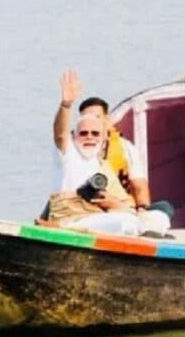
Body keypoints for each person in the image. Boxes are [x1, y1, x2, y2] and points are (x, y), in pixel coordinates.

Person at [45, 69, 171, 236]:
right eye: (83, 133)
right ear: (74, 136)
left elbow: (129, 197)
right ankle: (148, 234)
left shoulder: (103, 164)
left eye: (95, 133)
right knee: (127, 222)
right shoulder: (68, 153)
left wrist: (117, 204)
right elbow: (60, 134)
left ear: (103, 137)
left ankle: (153, 236)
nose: (89, 137)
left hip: (100, 216)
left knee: (159, 216)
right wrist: (65, 105)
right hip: (73, 219)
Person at [78, 95, 175, 221]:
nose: (91, 123)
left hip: (121, 206)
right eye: (86, 118)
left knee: (164, 208)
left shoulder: (125, 147)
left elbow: (139, 186)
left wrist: (142, 209)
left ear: (107, 120)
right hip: (87, 207)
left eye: (96, 117)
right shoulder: (73, 150)